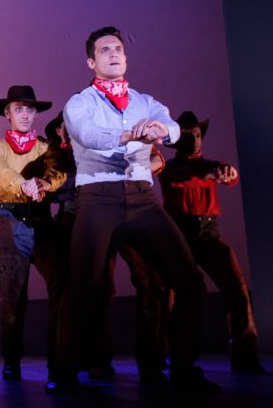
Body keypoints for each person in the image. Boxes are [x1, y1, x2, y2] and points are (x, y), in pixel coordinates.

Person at [48, 26, 218, 395]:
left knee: (189, 280)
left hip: (142, 198)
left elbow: (174, 129)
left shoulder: (145, 101)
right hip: (98, 197)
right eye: (104, 50)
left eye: (118, 49)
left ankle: (184, 370)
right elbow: (89, 136)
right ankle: (63, 373)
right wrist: (129, 135)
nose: (114, 54)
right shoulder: (80, 103)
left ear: (125, 57)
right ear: (91, 61)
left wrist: (161, 131)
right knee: (84, 285)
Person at [160, 110, 264, 373]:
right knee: (171, 295)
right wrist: (213, 173)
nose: (195, 140)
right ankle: (171, 355)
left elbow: (229, 176)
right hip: (180, 234)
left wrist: (227, 173)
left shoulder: (211, 165)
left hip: (208, 233)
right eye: (188, 136)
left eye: (197, 135)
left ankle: (245, 356)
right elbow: (187, 177)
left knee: (236, 288)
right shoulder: (170, 168)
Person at [0, 86, 66, 382]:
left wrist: (45, 183)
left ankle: (60, 363)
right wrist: (24, 184)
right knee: (13, 299)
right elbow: (0, 171)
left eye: (30, 109)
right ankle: (12, 360)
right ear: (7, 113)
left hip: (41, 220)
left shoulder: (46, 147)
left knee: (62, 284)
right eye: (19, 109)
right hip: (10, 221)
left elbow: (57, 170)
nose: (26, 115)